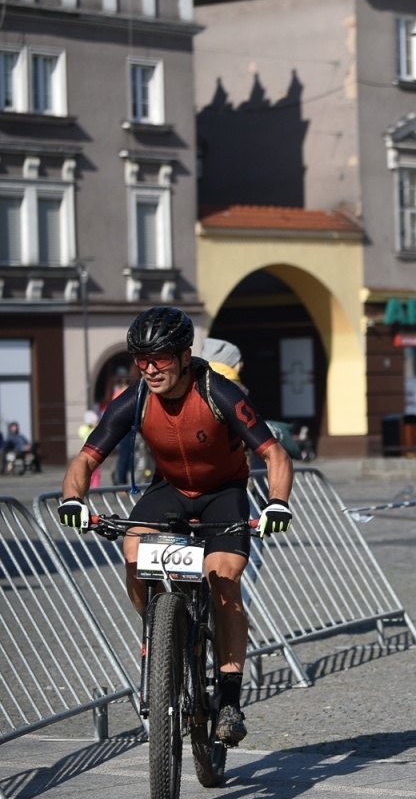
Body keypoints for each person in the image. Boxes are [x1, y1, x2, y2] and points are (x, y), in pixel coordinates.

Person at [57, 306, 295, 746]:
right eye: (140, 358)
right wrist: (74, 497)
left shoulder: (218, 392)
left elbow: (275, 455)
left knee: (224, 583)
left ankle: (228, 700)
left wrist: (277, 504)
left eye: (160, 357)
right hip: (169, 491)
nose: (149, 368)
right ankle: (158, 635)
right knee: (134, 553)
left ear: (185, 355)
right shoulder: (136, 398)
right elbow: (85, 459)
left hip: (223, 494)